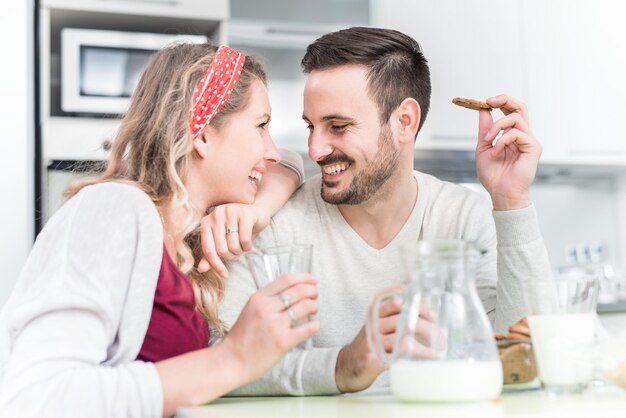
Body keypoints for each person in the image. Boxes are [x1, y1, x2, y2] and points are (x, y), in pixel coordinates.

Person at [218, 26, 552, 395]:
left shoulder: (461, 216)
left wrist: (512, 202)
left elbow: (526, 351)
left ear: (404, 122)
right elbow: (217, 359)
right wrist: (342, 366)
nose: (315, 149)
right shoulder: (275, 220)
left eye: (338, 126)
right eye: (312, 126)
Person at [0, 43, 320, 418]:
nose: (270, 150)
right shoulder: (112, 208)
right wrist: (232, 359)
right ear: (201, 136)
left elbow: (291, 163)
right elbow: (34, 400)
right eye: (261, 126)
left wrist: (260, 210)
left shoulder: (185, 239)